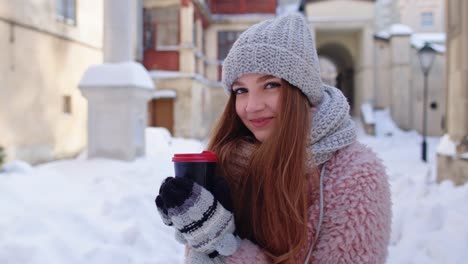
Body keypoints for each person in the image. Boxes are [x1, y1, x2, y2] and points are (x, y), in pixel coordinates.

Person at [156, 13, 391, 264]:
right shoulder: (229, 161)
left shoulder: (355, 175)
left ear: (301, 91)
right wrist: (199, 237)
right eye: (241, 90)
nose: (252, 106)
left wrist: (223, 247)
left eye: (270, 85)